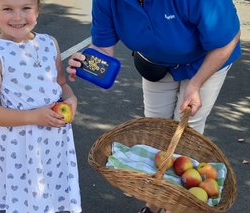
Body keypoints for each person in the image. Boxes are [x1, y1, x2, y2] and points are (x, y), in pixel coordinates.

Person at [66, 0, 241, 212]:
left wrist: (195, 85)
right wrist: (87, 62)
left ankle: (178, 204)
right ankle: (155, 202)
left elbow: (227, 41)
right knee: (155, 132)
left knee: (186, 132)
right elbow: (102, 46)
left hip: (205, 62)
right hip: (155, 64)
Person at [0, 0, 81, 212]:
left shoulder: (50, 43)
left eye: (26, 8)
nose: (17, 17)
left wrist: (71, 100)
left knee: (52, 195)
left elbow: (60, 84)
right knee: (26, 200)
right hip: (21, 146)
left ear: (38, 10)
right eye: (7, 9)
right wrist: (33, 117)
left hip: (55, 141)